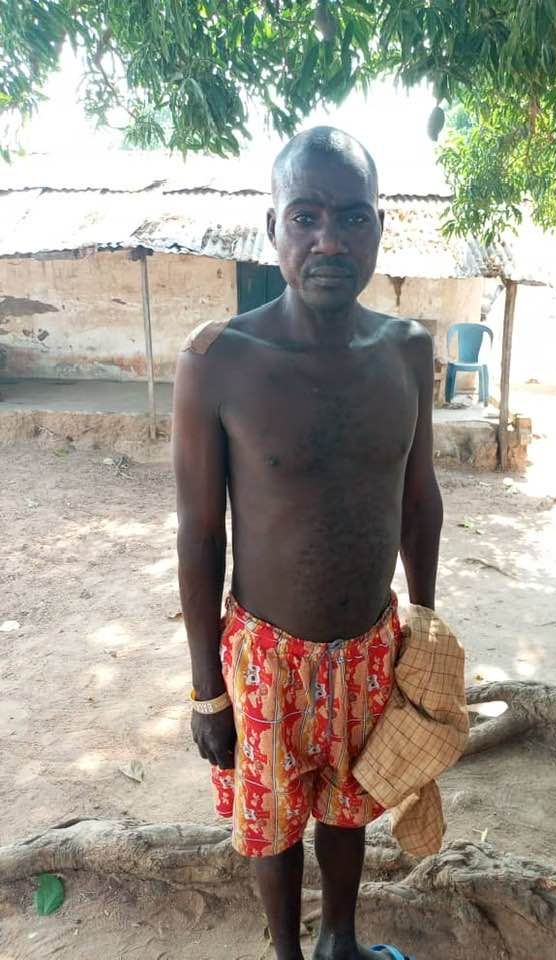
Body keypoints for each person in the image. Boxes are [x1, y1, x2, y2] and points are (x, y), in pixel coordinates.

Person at [173, 126, 443, 960]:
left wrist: (424, 631)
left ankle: (340, 943)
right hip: (267, 659)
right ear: (273, 227)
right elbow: (199, 533)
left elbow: (419, 499)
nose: (331, 240)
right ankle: (288, 955)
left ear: (379, 229)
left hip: (372, 646)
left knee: (349, 807)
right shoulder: (219, 360)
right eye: (307, 216)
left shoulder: (407, 350)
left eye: (353, 217)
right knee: (275, 822)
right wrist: (207, 692)